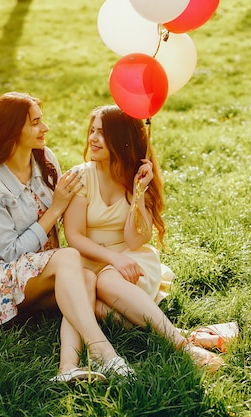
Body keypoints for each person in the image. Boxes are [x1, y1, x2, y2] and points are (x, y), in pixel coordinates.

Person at [0, 92, 133, 383]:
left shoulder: (45, 160)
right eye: (36, 123)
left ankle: (67, 367)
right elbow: (10, 253)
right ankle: (103, 352)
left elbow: (71, 223)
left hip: (41, 272)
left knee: (85, 278)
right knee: (71, 261)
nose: (45, 128)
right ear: (13, 131)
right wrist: (56, 208)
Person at [63, 105, 225, 372]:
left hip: (131, 258)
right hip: (90, 260)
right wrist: (111, 258)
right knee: (96, 306)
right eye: (92, 131)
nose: (92, 138)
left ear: (121, 139)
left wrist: (139, 193)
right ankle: (184, 336)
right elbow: (74, 236)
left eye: (102, 134)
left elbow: (135, 240)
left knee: (106, 280)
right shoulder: (81, 176)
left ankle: (182, 347)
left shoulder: (137, 177)